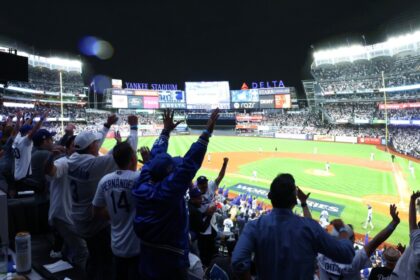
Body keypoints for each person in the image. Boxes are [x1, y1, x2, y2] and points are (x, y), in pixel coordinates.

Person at [132, 108, 219, 279]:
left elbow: (155, 159)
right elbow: (189, 164)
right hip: (170, 259)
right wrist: (206, 132)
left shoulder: (142, 182)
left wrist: (165, 132)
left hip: (146, 254)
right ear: (169, 174)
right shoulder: (168, 191)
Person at [232, 173, 355, 279]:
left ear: (269, 196)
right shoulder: (310, 228)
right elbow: (347, 254)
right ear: (294, 200)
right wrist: (343, 230)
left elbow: (238, 262)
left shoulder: (254, 226)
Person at [68, 114, 138, 280]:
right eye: (95, 143)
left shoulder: (72, 159)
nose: (98, 144)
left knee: (94, 257)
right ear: (91, 147)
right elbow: (128, 151)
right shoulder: (94, 164)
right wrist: (134, 128)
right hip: (93, 221)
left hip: (77, 217)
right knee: (105, 261)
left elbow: (94, 141)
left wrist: (107, 125)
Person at [92, 141, 140, 280]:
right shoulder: (139, 178)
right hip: (137, 248)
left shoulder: (104, 180)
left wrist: (115, 214)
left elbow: (95, 211)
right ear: (132, 159)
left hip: (116, 245)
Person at [317, 204, 401, 280]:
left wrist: (304, 203)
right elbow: (375, 242)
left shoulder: (321, 255)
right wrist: (394, 222)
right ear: (351, 241)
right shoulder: (353, 260)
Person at [45, 135, 88, 270]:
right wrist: (50, 157)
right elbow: (51, 171)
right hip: (62, 214)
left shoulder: (81, 162)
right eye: (74, 146)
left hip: (68, 213)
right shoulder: (64, 162)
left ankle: (65, 265)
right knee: (82, 250)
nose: (77, 149)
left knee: (71, 247)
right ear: (67, 149)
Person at [196, 157, 229, 266]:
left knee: (212, 250)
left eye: (205, 183)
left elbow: (220, 177)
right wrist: (206, 212)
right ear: (198, 185)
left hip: (212, 226)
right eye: (201, 184)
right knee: (204, 253)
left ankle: (212, 266)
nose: (204, 186)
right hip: (202, 230)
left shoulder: (210, 186)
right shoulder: (195, 194)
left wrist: (224, 164)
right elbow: (193, 213)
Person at [390, 191, 420, 279]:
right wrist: (405, 252)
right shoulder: (416, 243)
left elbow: (412, 223)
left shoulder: (418, 241)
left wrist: (412, 199)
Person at [12, 113, 46, 183]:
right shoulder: (25, 141)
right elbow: (35, 130)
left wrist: (32, 117)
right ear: (28, 132)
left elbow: (22, 127)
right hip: (23, 177)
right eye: (30, 130)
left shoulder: (17, 138)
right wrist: (41, 119)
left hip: (17, 173)